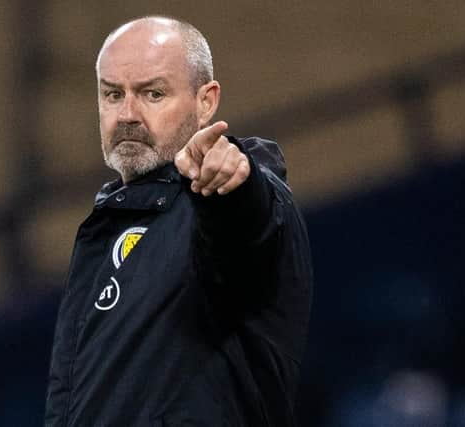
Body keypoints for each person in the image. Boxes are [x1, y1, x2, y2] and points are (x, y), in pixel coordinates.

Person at [44, 16, 312, 427]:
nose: (127, 114)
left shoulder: (216, 198)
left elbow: (243, 232)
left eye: (153, 93)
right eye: (113, 95)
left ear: (206, 101)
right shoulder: (113, 224)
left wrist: (232, 186)